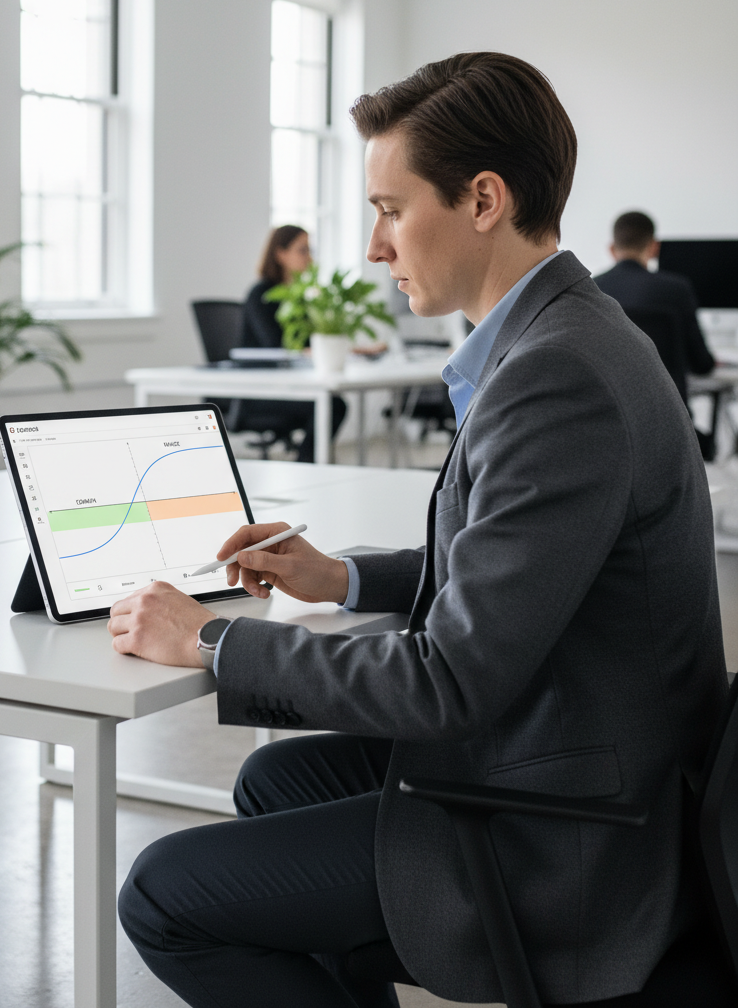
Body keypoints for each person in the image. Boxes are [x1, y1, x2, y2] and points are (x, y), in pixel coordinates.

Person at [110, 52, 728, 1008]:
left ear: (483, 199)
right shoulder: (570, 336)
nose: (373, 247)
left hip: (574, 831)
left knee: (162, 896)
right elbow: (519, 571)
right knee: (279, 782)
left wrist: (210, 639)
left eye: (391, 210)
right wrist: (340, 579)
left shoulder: (557, 377)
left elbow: (448, 682)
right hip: (588, 750)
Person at [594, 210, 717, 458]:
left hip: (608, 427)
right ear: (653, 247)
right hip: (670, 429)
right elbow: (702, 364)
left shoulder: (593, 290)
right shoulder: (677, 289)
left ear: (611, 248)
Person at [233, 225, 346, 462]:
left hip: (290, 386)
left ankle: (308, 466)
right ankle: (307, 468)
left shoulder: (300, 294)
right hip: (257, 392)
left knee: (333, 403)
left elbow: (310, 342)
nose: (309, 257)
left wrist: (349, 349)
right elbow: (275, 345)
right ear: (280, 254)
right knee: (332, 405)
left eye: (309, 250)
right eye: (302, 250)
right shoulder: (261, 294)